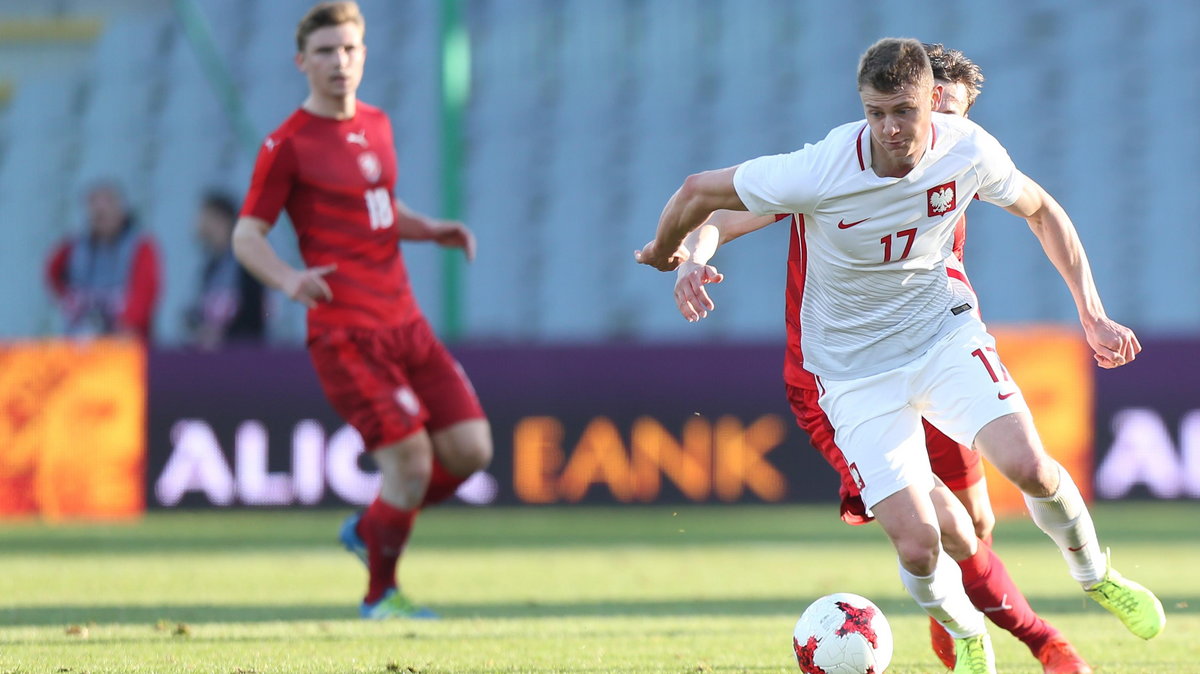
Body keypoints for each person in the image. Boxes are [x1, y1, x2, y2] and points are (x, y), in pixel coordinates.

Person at [636, 38, 1164, 674]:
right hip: (847, 375)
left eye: (937, 113)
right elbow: (714, 207)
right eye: (885, 112)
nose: (905, 127)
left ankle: (1091, 580)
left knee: (997, 501)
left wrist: (1091, 312)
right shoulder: (825, 172)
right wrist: (689, 256)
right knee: (932, 538)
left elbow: (1040, 208)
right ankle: (989, 635)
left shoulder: (964, 158)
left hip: (939, 342)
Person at [232, 1, 491, 619]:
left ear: (364, 55)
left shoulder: (376, 122)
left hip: (405, 321)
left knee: (472, 450)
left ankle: (372, 525)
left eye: (348, 49)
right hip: (346, 333)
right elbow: (247, 234)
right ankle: (380, 595)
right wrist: (290, 280)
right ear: (302, 62)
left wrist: (431, 229)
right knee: (411, 458)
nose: (338, 62)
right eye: (324, 51)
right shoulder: (287, 144)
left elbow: (376, 206)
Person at [45, 180, 161, 341]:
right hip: (78, 346)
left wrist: (125, 325)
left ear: (121, 209)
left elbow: (145, 293)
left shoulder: (140, 247)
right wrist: (72, 303)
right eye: (95, 208)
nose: (100, 212)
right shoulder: (73, 248)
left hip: (123, 347)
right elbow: (52, 272)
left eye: (108, 204)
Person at [184, 191, 266, 349]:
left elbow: (255, 318)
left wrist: (225, 335)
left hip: (243, 359)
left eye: (204, 216)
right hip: (216, 359)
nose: (198, 223)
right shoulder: (210, 268)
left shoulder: (247, 261)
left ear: (221, 220)